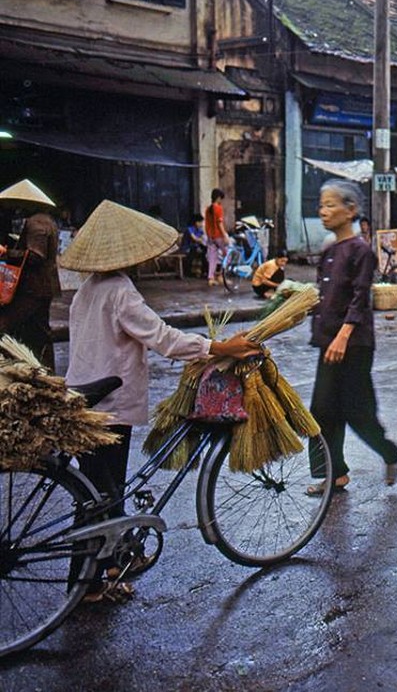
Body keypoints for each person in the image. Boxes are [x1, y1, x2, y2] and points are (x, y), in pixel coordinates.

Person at [60, 200, 259, 603]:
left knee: (98, 493)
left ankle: (105, 569)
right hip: (109, 402)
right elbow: (163, 338)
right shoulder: (120, 290)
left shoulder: (87, 290)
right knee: (103, 493)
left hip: (80, 395)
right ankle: (88, 587)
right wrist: (220, 346)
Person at [308, 179, 397, 495]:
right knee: (322, 409)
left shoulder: (360, 251)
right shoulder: (329, 250)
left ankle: (390, 453)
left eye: (331, 205)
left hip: (354, 344)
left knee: (356, 411)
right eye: (322, 205)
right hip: (328, 341)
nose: (324, 211)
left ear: (350, 210)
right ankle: (335, 474)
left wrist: (343, 335)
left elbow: (361, 298)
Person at [0, 179, 62, 369]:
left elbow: (36, 256)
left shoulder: (36, 223)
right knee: (39, 333)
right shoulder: (45, 220)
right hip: (42, 287)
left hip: (33, 288)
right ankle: (45, 370)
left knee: (5, 324)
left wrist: (7, 253)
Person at [204, 189, 230, 287]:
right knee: (227, 254)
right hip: (218, 236)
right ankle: (221, 275)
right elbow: (219, 223)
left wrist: (208, 235)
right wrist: (225, 235)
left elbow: (206, 224)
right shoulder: (218, 208)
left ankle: (211, 278)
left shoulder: (208, 209)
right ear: (218, 197)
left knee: (212, 258)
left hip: (210, 236)